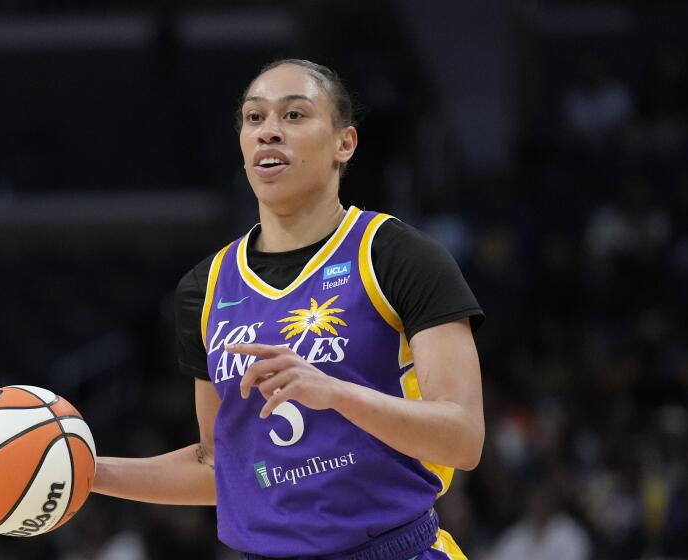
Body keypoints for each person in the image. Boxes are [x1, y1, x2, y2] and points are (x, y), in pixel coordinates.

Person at [92, 59, 486, 560]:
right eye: (254, 118)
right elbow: (221, 467)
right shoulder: (204, 289)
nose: (268, 132)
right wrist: (88, 473)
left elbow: (463, 439)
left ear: (345, 143)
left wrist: (337, 393)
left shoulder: (397, 255)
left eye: (294, 116)